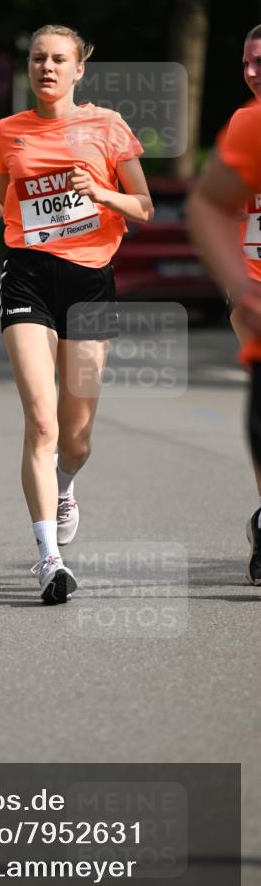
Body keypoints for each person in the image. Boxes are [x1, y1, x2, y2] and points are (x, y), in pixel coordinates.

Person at [0, 24, 153, 603]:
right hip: (28, 275)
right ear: (27, 66)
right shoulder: (8, 130)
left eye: (59, 59)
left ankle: (65, 485)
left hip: (89, 281)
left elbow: (143, 205)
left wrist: (104, 195)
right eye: (38, 58)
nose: (47, 67)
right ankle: (50, 559)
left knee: (78, 438)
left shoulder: (107, 125)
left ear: (79, 68)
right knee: (41, 422)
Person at [187, 99, 261, 584]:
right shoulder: (248, 124)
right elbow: (210, 205)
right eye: (249, 62)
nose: (255, 70)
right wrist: (239, 286)